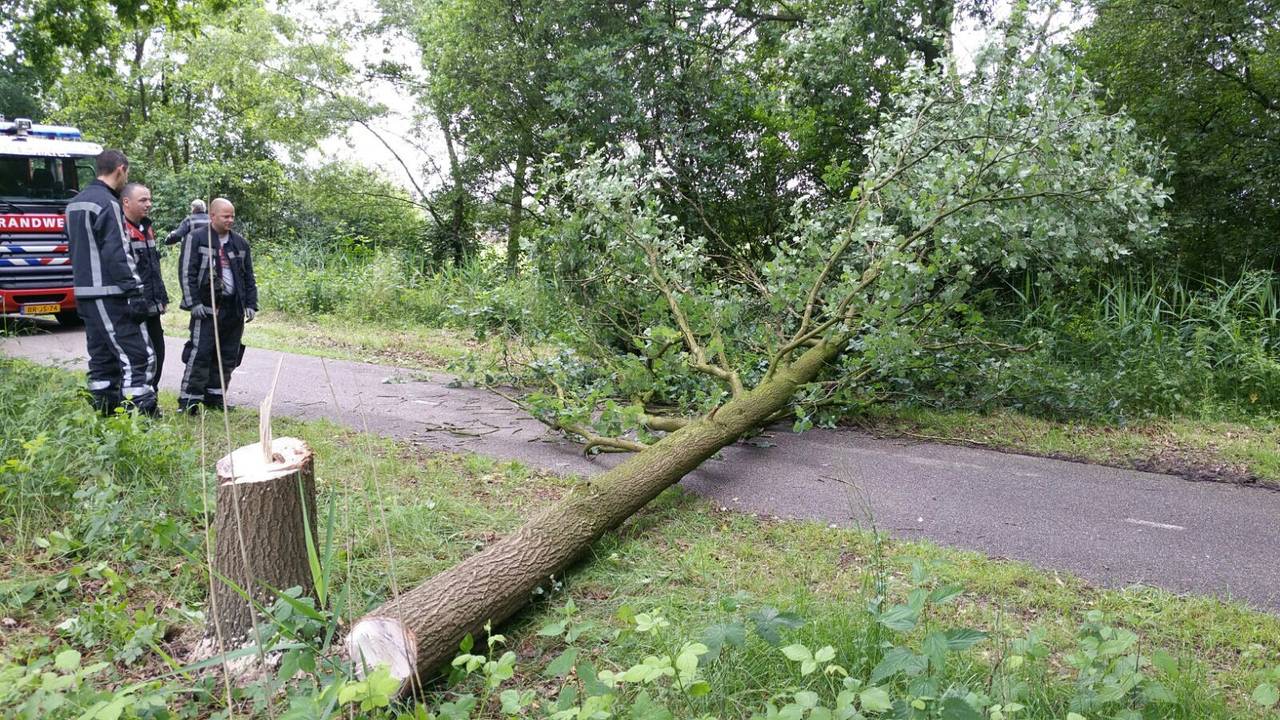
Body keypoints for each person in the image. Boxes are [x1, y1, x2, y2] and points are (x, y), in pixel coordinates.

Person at [64, 150, 158, 416]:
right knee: (138, 356)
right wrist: (134, 291)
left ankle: (103, 412)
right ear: (120, 169)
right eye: (126, 173)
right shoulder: (108, 203)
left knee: (102, 358)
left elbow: (74, 248)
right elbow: (117, 252)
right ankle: (140, 416)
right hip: (111, 294)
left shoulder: (74, 204)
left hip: (84, 294)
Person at [177, 197, 258, 413]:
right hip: (207, 309)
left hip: (234, 310)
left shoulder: (240, 243)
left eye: (232, 216)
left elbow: (249, 277)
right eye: (226, 216)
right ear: (212, 216)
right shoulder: (196, 238)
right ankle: (189, 401)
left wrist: (251, 304)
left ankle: (215, 397)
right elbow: (186, 272)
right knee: (200, 353)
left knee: (228, 355)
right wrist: (193, 303)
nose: (230, 220)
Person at [121, 182, 168, 391]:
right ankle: (137, 397)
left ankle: (151, 395)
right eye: (143, 200)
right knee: (139, 355)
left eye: (149, 199)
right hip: (133, 306)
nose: (148, 204)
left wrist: (161, 298)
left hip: (152, 306)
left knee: (158, 352)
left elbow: (153, 267)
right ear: (126, 202)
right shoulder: (120, 229)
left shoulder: (147, 228)